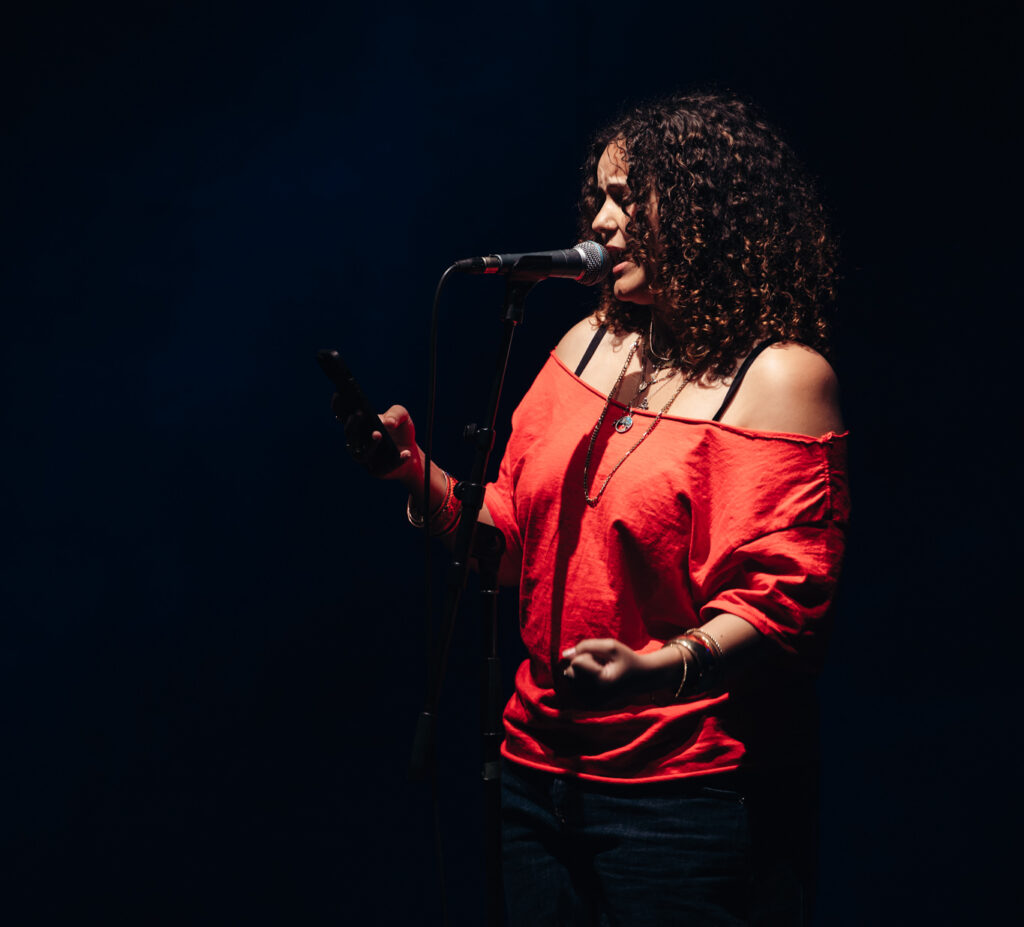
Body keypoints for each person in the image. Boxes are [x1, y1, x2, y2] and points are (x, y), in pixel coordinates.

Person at [344, 91, 848, 925]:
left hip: (688, 794)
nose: (603, 222)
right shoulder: (587, 344)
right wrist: (414, 474)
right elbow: (512, 542)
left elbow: (783, 605)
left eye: (627, 198)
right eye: (601, 197)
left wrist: (654, 671)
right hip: (538, 773)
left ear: (704, 214)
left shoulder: (780, 379)